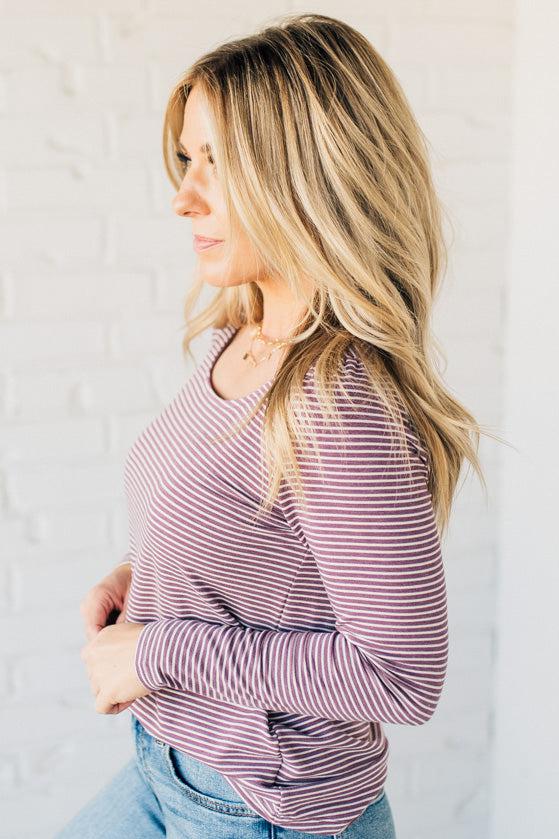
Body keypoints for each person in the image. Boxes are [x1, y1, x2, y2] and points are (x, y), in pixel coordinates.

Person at [56, 12, 491, 839]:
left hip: (263, 809)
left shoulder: (339, 400)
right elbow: (260, 539)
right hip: (169, 763)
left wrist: (157, 649)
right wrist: (141, 575)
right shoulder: (241, 334)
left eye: (217, 164)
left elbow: (399, 675)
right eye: (186, 160)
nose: (183, 195)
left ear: (306, 175)